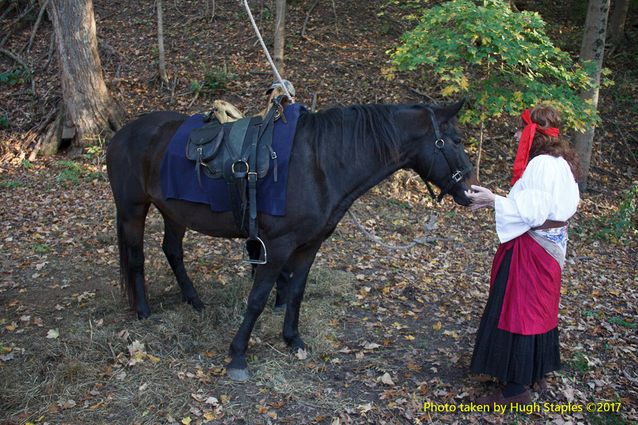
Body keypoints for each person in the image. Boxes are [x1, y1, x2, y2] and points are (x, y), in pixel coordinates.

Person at [465, 104, 581, 405]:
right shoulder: (560, 162)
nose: (516, 134)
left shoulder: (541, 164)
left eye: (520, 128)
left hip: (534, 247)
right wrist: (496, 201)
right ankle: (535, 372)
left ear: (533, 133)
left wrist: (494, 200)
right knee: (539, 310)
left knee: (520, 310)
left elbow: (533, 211)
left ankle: (517, 389)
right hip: (550, 244)